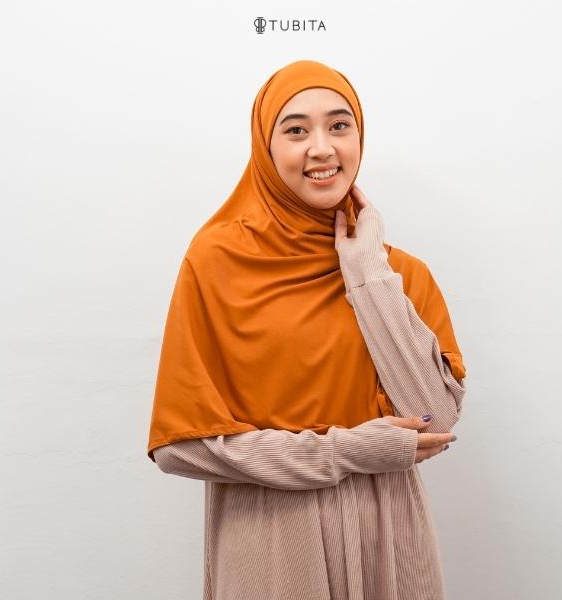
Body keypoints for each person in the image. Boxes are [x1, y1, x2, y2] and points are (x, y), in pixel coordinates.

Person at [146, 59, 467, 600]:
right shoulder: (218, 263)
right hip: (273, 541)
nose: (322, 148)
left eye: (340, 125)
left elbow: (434, 418)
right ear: (266, 148)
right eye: (296, 130)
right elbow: (181, 448)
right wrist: (346, 452)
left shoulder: (399, 274)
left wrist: (366, 272)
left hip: (391, 540)